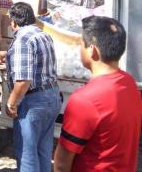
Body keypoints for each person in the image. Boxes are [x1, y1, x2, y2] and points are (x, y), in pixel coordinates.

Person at [53, 16, 141, 172]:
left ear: (92, 50)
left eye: (81, 44)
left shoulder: (85, 100)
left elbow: (61, 163)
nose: (79, 48)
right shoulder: (130, 84)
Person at [0, 2, 60, 172]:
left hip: (34, 102)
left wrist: (11, 103)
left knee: (27, 155)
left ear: (14, 22)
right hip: (51, 96)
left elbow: (23, 81)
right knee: (43, 151)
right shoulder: (42, 34)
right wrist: (8, 54)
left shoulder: (22, 39)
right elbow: (35, 58)